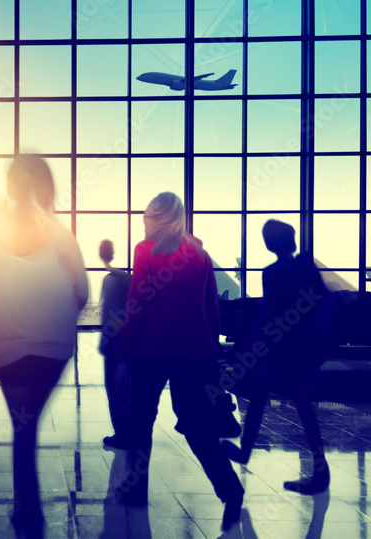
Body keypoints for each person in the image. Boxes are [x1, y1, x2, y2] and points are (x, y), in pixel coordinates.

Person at [117, 192, 244, 531]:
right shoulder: (200, 254)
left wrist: (125, 350)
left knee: (141, 420)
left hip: (152, 349)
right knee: (194, 424)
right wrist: (212, 351)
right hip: (195, 350)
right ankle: (230, 488)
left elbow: (137, 303)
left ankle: (135, 491)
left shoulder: (146, 251)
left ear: (155, 218)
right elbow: (211, 308)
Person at [0, 155, 88, 538]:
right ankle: (30, 511)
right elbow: (82, 293)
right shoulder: (61, 235)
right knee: (28, 425)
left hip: (5, 346)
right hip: (51, 347)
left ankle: (29, 511)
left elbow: (3, 222)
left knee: (22, 428)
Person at [221, 219, 332, 495]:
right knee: (304, 406)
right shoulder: (306, 265)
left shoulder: (271, 273)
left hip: (281, 348)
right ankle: (320, 468)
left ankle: (246, 452)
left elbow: (269, 316)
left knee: (258, 397)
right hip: (307, 346)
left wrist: (250, 349)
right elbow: (320, 300)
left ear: (269, 244)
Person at [98, 239, 132, 450]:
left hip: (115, 342)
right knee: (126, 388)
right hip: (129, 340)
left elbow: (109, 313)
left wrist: (105, 339)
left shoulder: (110, 280)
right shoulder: (127, 277)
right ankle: (130, 431)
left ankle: (122, 435)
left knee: (113, 388)